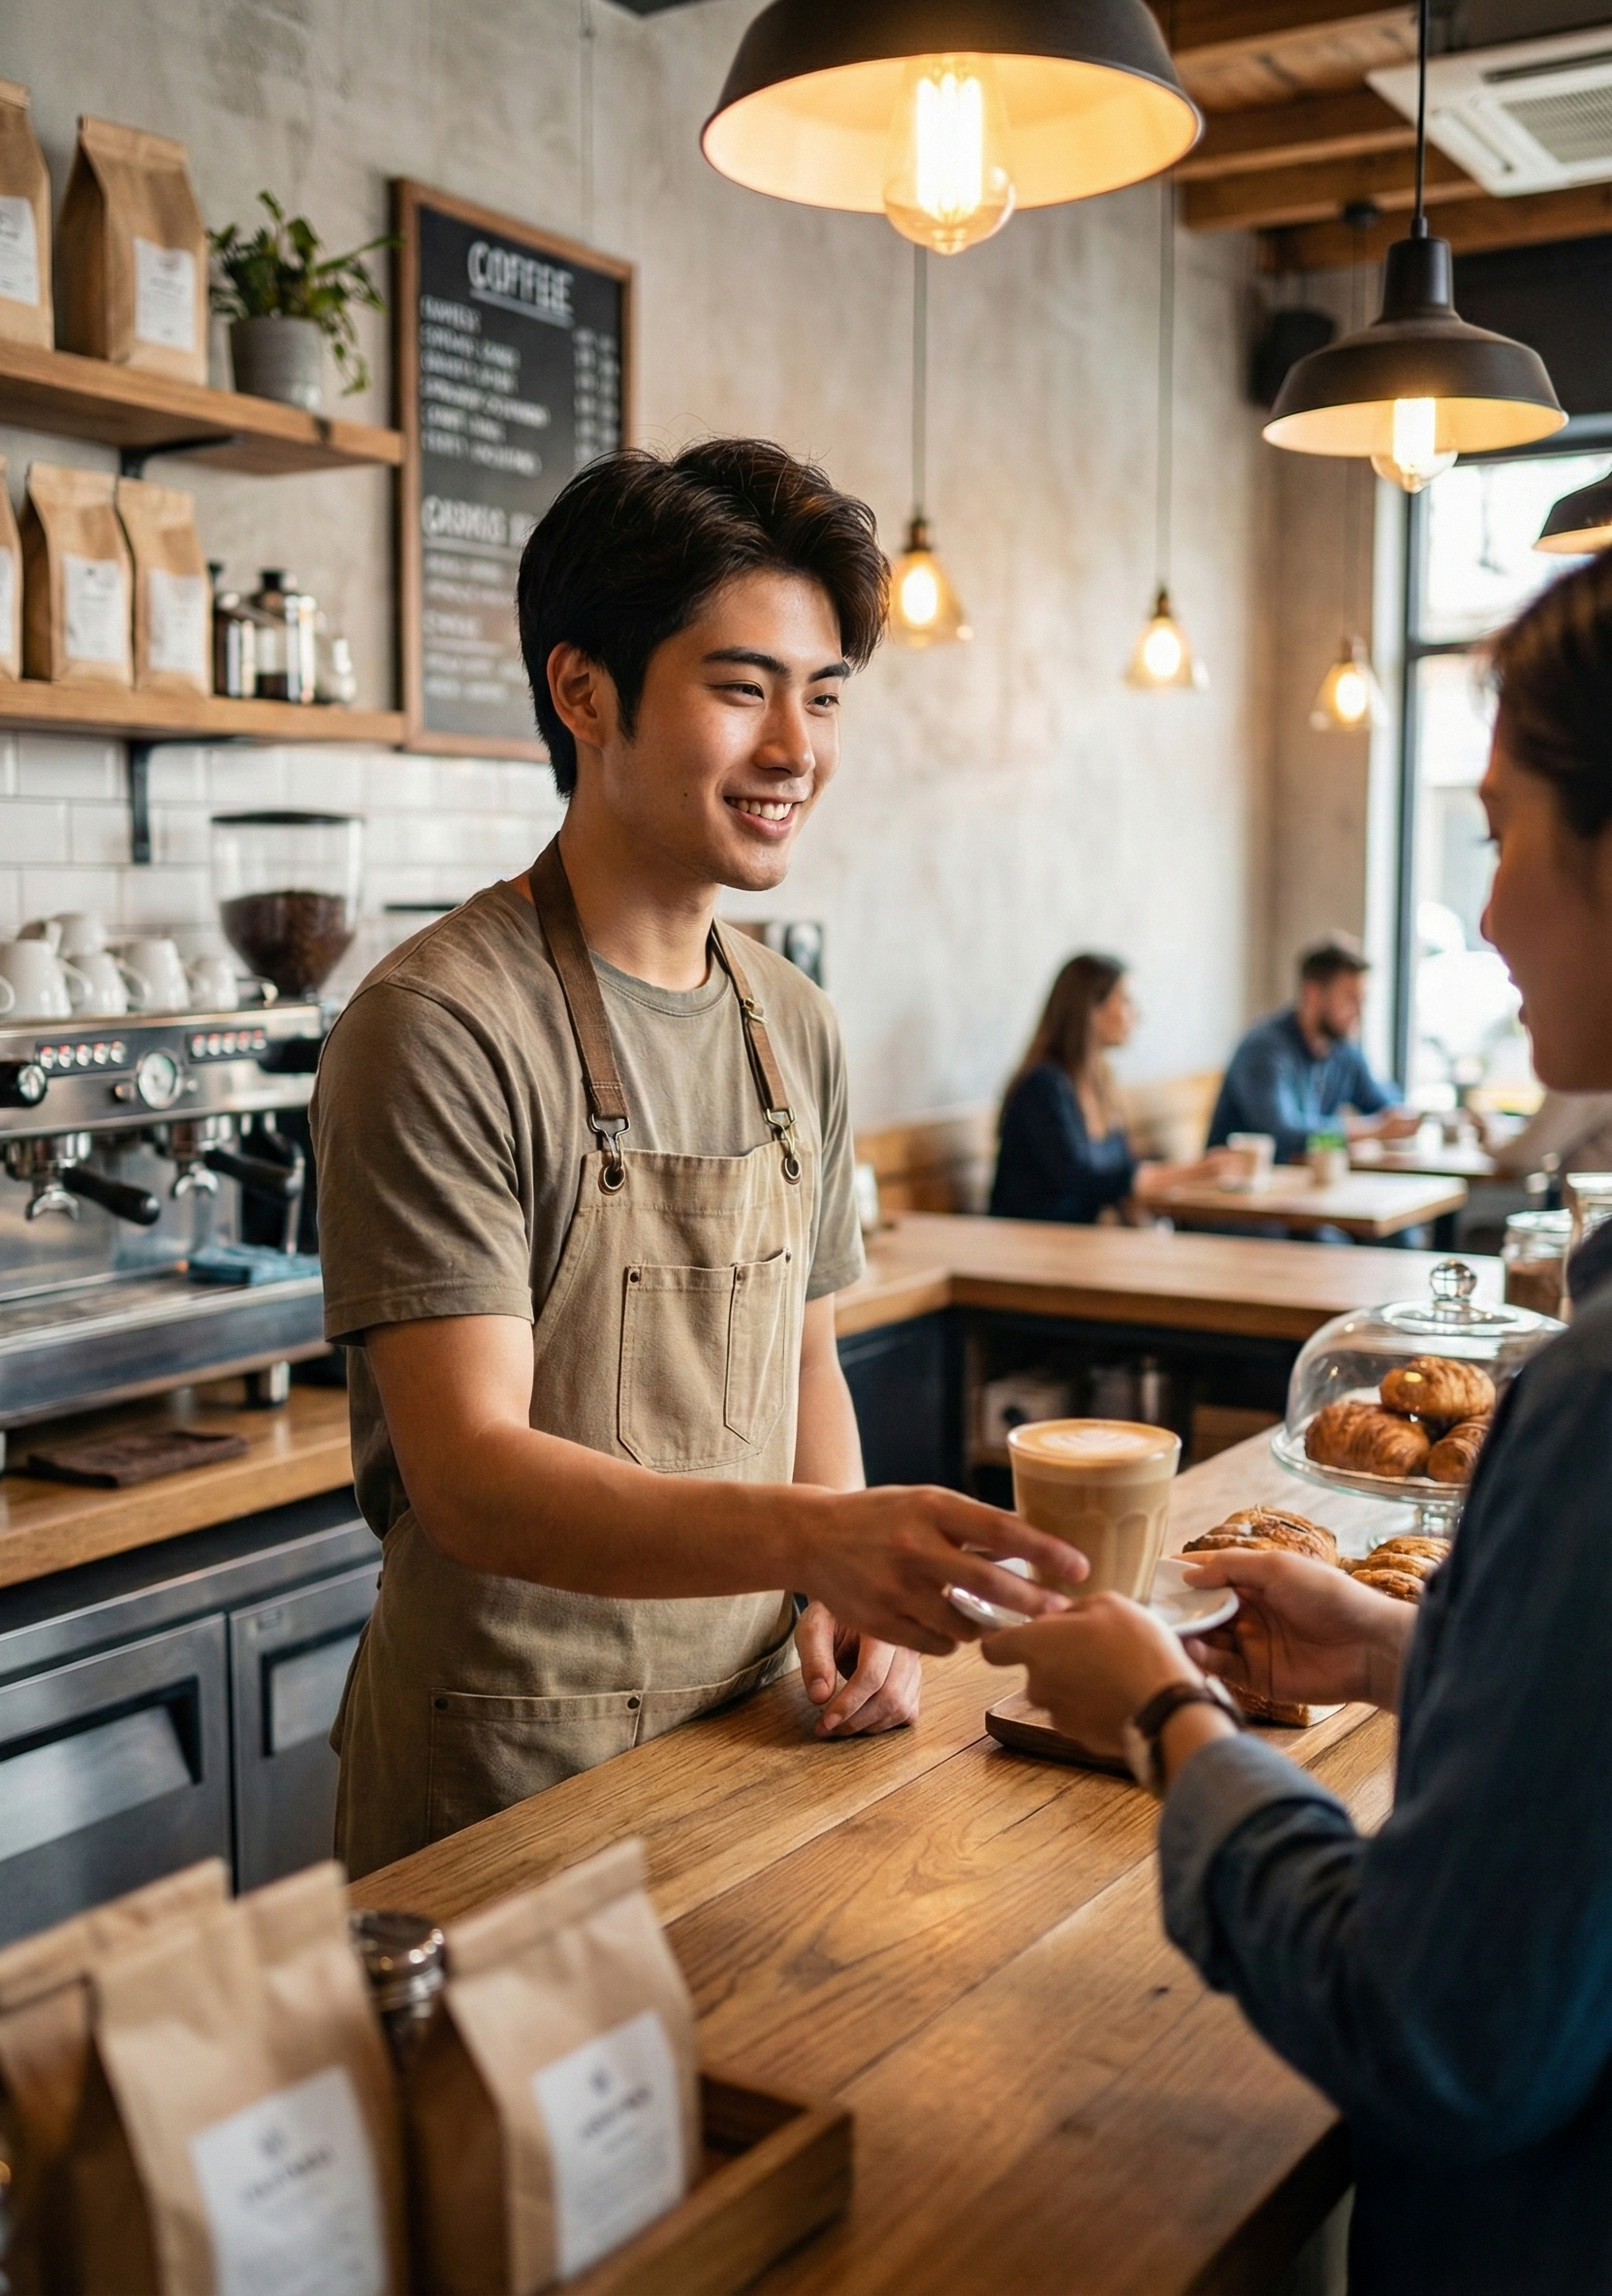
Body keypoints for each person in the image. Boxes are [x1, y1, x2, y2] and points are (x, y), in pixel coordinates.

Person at [310, 440, 1083, 1879]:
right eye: (742, 689)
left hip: (757, 1736)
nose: (797, 748)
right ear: (583, 690)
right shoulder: (437, 1026)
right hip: (509, 1778)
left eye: (825, 695)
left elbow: (804, 1358)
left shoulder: (793, 1021)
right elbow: (473, 1481)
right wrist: (819, 1541)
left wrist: (834, 1591)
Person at [982, 545, 1612, 2293]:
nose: (1480, 916)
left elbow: (1437, 2023)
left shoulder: (1590, 1400)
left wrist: (1174, 1723)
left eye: (1497, 834)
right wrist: (1407, 1649)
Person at [991, 953, 1244, 1223]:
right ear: (1091, 1009)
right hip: (1034, 1243)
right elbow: (1081, 1179)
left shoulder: (1099, 1081)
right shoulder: (1043, 1087)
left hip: (1081, 1242)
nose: (1136, 1014)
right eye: (1125, 1001)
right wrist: (1195, 1172)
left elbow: (1120, 1171)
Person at [1207, 936, 1420, 1164]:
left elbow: (1385, 1103)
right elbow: (1283, 1135)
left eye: (1362, 1001)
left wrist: (1407, 1117)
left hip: (1303, 1184)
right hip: (1239, 1189)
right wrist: (1370, 1130)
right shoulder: (1263, 1048)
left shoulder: (1342, 1049)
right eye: (1349, 1000)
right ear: (1312, 994)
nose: (1359, 1013)